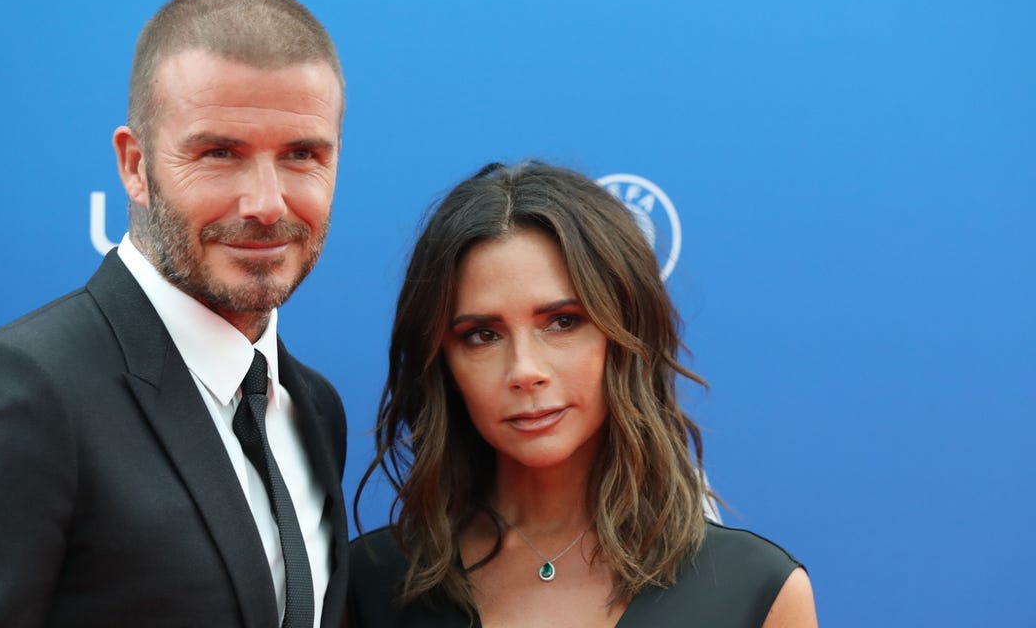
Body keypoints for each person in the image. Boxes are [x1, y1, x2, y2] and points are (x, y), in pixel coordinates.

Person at [0, 0, 347, 628]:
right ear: (134, 165)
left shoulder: (313, 410)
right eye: (220, 153)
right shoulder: (16, 400)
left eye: (301, 156)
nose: (266, 203)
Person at [348, 162, 818, 627]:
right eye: (482, 335)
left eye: (563, 322)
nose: (524, 371)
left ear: (627, 335)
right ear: (442, 364)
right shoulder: (371, 585)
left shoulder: (754, 590)